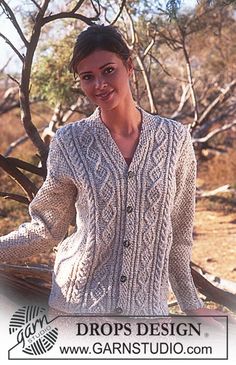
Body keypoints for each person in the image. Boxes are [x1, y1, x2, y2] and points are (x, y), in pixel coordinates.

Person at [0, 25, 229, 324]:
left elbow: (179, 236)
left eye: (109, 70)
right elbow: (46, 229)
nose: (99, 84)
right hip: (76, 311)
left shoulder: (175, 139)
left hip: (146, 318)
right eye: (87, 77)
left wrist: (190, 304)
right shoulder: (70, 142)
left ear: (129, 66)